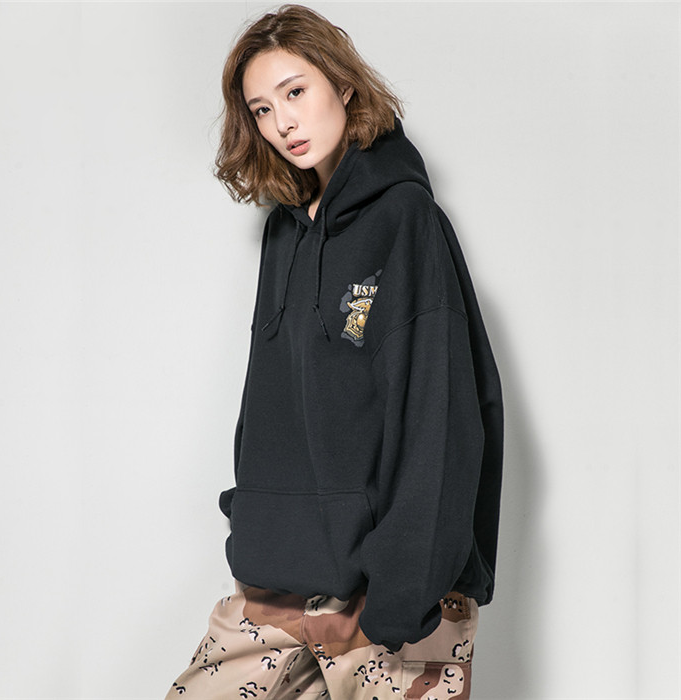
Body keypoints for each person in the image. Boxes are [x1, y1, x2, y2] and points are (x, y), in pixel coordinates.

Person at [164, 4, 503, 699]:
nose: (282, 123)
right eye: (261, 109)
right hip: (277, 581)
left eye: (295, 92)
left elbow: (440, 413)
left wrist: (401, 593)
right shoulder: (282, 235)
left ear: (343, 86)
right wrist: (252, 525)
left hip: (393, 598)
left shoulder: (406, 220)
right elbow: (269, 404)